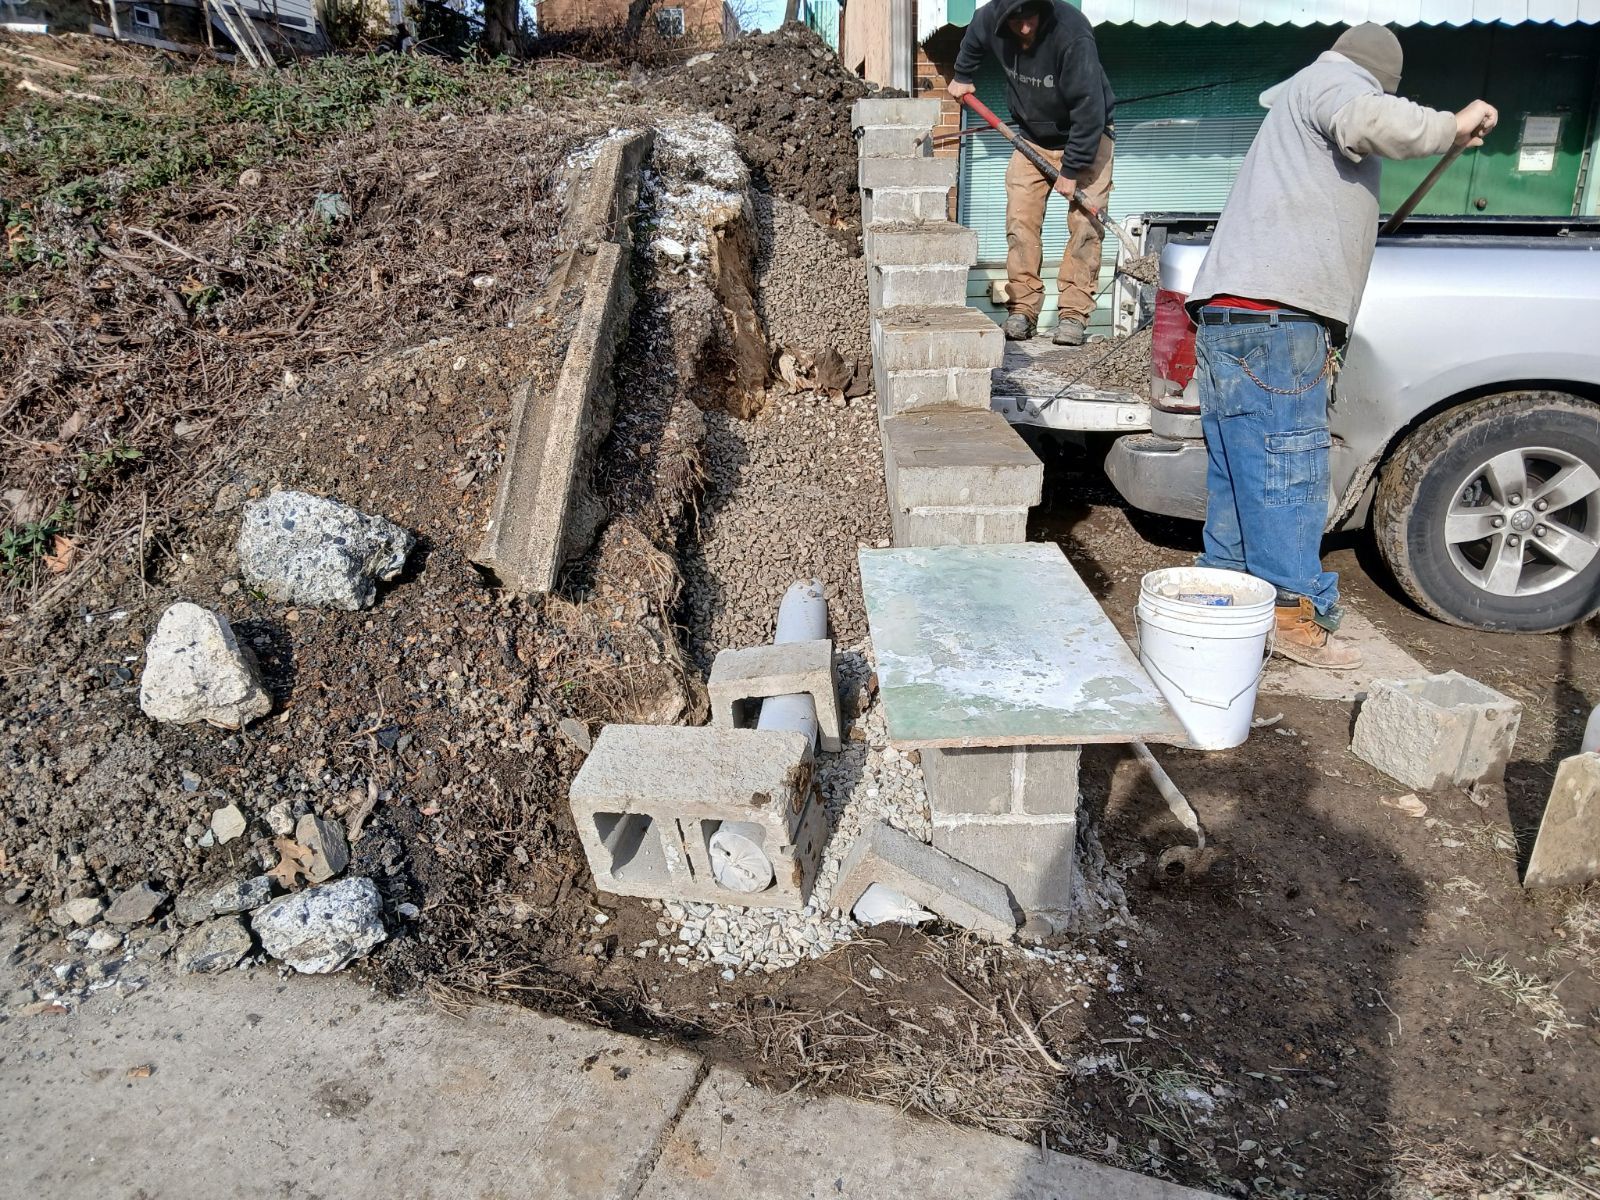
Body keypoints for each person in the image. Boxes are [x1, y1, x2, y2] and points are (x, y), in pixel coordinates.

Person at [1187, 24, 1496, 670]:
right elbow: (1365, 119)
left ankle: (1221, 610)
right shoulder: (1337, 82)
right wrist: (1449, 125)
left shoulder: (1299, 102)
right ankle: (1290, 615)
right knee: (1286, 477)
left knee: (1240, 481)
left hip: (1232, 317)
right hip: (1276, 322)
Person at [947, 0, 1114, 347]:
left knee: (1086, 228)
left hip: (1088, 136)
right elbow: (975, 35)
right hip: (1033, 140)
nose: (1025, 27)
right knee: (1020, 223)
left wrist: (1070, 168)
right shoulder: (990, 18)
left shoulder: (1072, 33)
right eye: (1016, 19)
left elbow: (1090, 108)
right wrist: (962, 74)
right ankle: (1022, 310)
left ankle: (1072, 316)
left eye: (1031, 16)